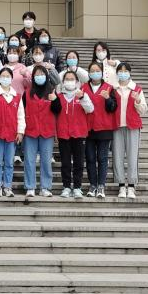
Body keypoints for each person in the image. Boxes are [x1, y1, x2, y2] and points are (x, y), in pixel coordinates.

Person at [51, 71, 94, 199]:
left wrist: (82, 98)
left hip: (79, 133)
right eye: (67, 79)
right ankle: (66, 187)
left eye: (72, 79)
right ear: (63, 82)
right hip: (63, 133)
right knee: (65, 163)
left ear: (77, 82)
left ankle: (77, 187)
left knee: (79, 163)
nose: (69, 81)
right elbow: (54, 115)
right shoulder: (58, 96)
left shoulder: (82, 95)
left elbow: (90, 109)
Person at [0, 67, 25, 197]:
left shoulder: (17, 96)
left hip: (12, 133)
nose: (5, 78)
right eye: (3, 76)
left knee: (9, 162)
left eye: (8, 76)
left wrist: (20, 131)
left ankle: (7, 186)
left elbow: (21, 115)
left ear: (11, 78)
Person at [83, 61, 117, 199]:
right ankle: (93, 185)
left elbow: (113, 108)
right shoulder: (83, 87)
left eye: (97, 70)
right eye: (92, 70)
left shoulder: (109, 88)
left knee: (102, 158)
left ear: (102, 72)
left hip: (104, 128)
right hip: (88, 128)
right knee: (90, 158)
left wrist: (108, 98)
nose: (95, 73)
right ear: (89, 73)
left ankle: (101, 185)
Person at [113, 62, 147, 199]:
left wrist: (137, 101)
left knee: (133, 156)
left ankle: (131, 186)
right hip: (116, 126)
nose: (123, 73)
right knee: (117, 156)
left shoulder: (136, 89)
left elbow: (143, 110)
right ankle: (121, 186)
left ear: (129, 72)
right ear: (117, 73)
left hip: (133, 126)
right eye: (120, 71)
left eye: (125, 71)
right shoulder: (113, 88)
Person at [23, 65, 56, 198]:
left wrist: (55, 100)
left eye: (42, 74)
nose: (39, 76)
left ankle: (45, 187)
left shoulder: (52, 91)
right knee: (29, 160)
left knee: (46, 161)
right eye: (37, 74)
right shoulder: (27, 92)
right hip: (30, 130)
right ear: (33, 77)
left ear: (46, 76)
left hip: (47, 131)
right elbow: (21, 110)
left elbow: (58, 110)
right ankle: (30, 187)